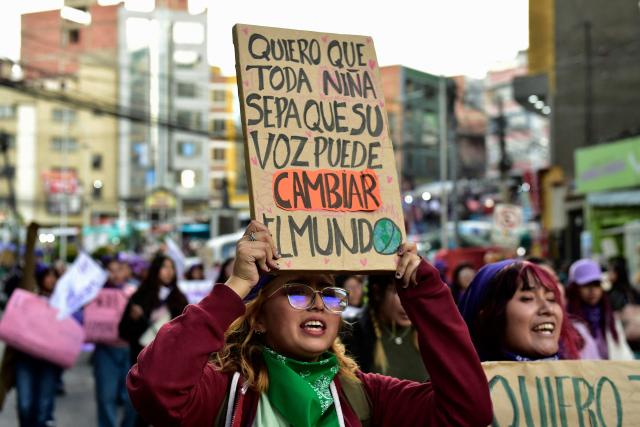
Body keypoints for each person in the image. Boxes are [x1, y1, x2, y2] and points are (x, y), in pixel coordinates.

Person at [126, 221, 492, 426]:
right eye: (298, 292)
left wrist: (425, 294)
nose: (318, 303)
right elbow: (155, 387)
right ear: (262, 319)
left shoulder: (365, 394)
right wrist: (237, 286)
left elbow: (467, 412)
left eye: (330, 294)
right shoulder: (225, 390)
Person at [459, 259, 582, 362]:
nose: (548, 309)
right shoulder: (464, 388)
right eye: (527, 298)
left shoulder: (581, 383)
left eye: (551, 299)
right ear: (488, 316)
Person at [342, 273, 429, 381]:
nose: (409, 300)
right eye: (400, 292)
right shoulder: (353, 334)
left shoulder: (428, 334)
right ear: (377, 292)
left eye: (415, 290)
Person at [118, 254, 189, 366]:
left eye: (172, 267)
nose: (169, 271)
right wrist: (133, 319)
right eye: (164, 267)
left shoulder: (179, 298)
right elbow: (124, 332)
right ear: (155, 270)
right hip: (143, 359)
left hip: (171, 360)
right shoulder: (140, 296)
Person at [15, 266, 63, 427]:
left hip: (49, 360)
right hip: (26, 358)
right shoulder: (29, 299)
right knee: (25, 405)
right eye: (47, 276)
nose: (50, 280)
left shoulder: (63, 302)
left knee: (43, 408)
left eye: (53, 276)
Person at [93, 257, 137, 427]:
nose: (114, 274)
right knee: (106, 396)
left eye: (118, 269)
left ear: (126, 271)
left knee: (131, 398)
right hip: (105, 349)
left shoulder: (134, 291)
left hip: (130, 350)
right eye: (110, 270)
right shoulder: (96, 292)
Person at [565, 259, 634, 360]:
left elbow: (624, 354)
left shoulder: (609, 318)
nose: (592, 290)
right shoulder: (567, 322)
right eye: (586, 285)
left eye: (596, 284)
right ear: (574, 288)